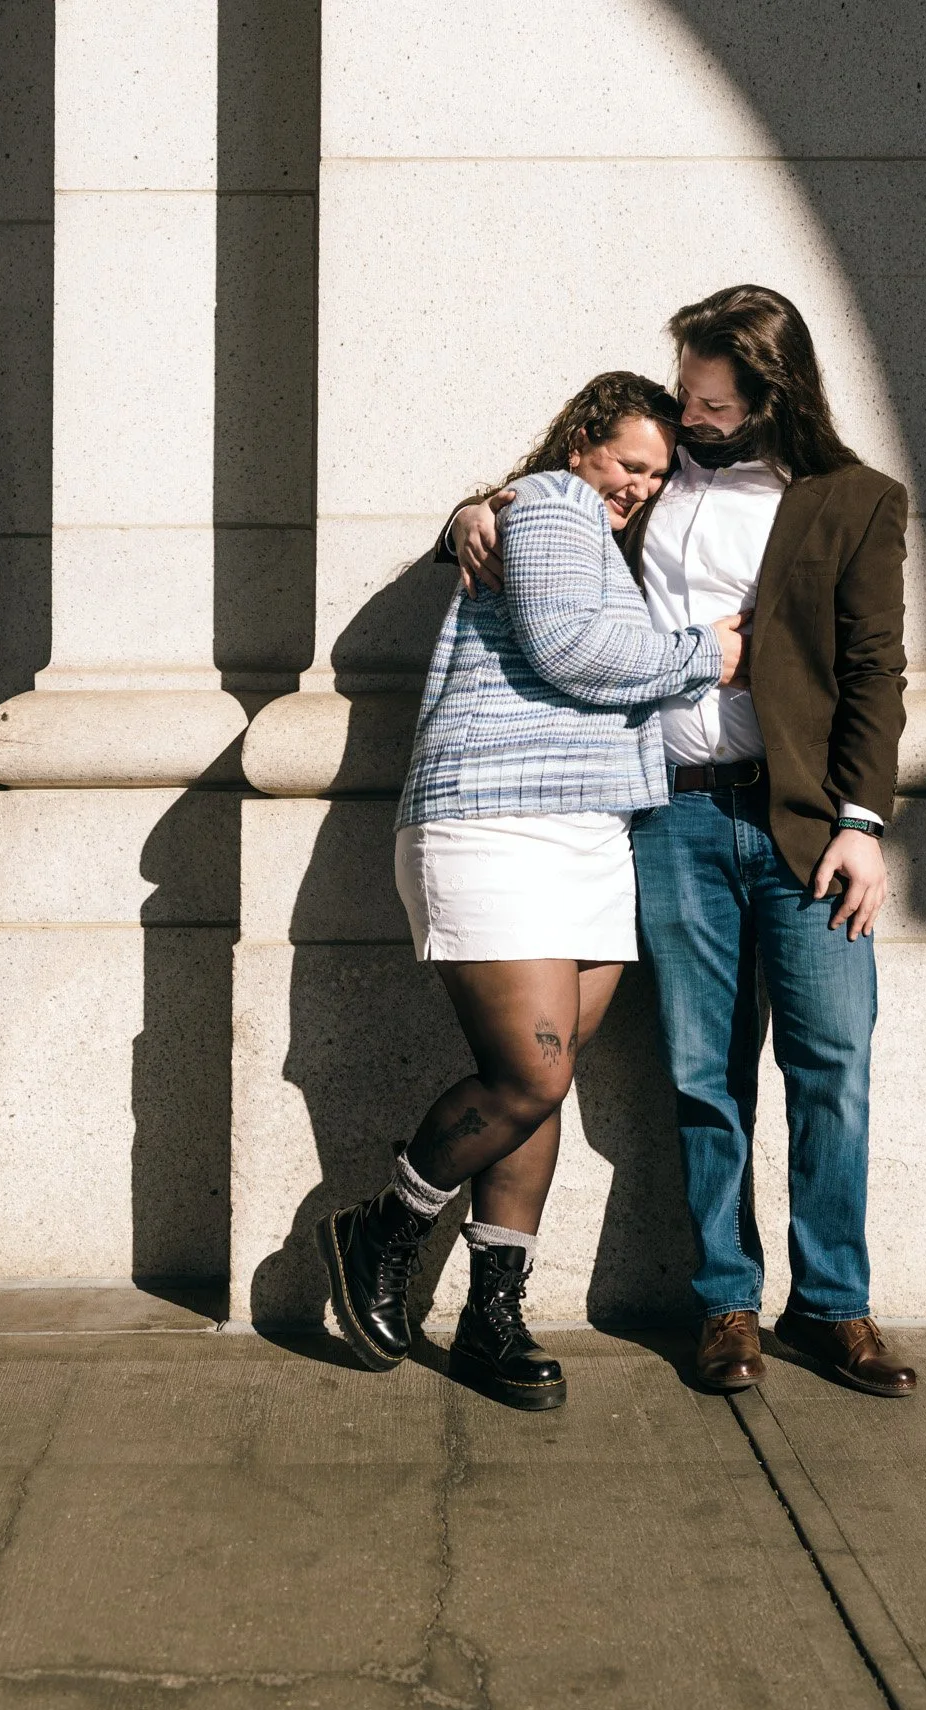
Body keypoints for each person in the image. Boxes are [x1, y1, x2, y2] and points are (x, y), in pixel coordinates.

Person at [450, 286, 917, 1398]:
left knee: (831, 1067)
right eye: (688, 397)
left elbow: (874, 673)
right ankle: (725, 1304)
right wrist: (475, 509)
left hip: (804, 826)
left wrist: (861, 823)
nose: (693, 418)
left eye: (713, 402)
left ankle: (835, 1305)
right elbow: (556, 493)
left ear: (771, 393)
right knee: (704, 1074)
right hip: (671, 812)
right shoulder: (650, 481)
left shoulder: (854, 500)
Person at [316, 373, 748, 1408]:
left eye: (655, 473)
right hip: (498, 821)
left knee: (534, 1086)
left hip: (586, 831)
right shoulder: (553, 501)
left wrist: (468, 513)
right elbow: (570, 650)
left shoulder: (569, 523)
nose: (639, 486)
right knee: (532, 1077)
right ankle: (386, 1225)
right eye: (627, 463)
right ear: (581, 440)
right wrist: (707, 655)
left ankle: (489, 1316)